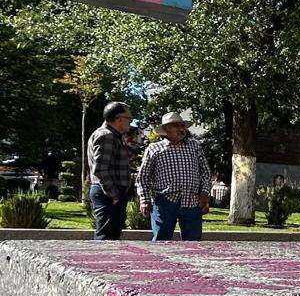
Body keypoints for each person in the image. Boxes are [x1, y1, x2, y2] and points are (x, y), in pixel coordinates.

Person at [137, 112, 212, 241]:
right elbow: (143, 177)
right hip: (164, 202)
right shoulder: (154, 149)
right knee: (161, 241)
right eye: (176, 126)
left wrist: (204, 193)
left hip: (192, 201)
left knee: (193, 243)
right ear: (166, 129)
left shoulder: (194, 146)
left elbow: (205, 172)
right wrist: (144, 200)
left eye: (182, 126)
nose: (181, 129)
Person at [87, 101, 135, 241]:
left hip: (108, 192)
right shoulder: (106, 135)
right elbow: (100, 169)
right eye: (129, 118)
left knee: (111, 236)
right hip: (107, 193)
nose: (130, 122)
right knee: (106, 238)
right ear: (119, 119)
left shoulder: (113, 136)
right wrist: (114, 195)